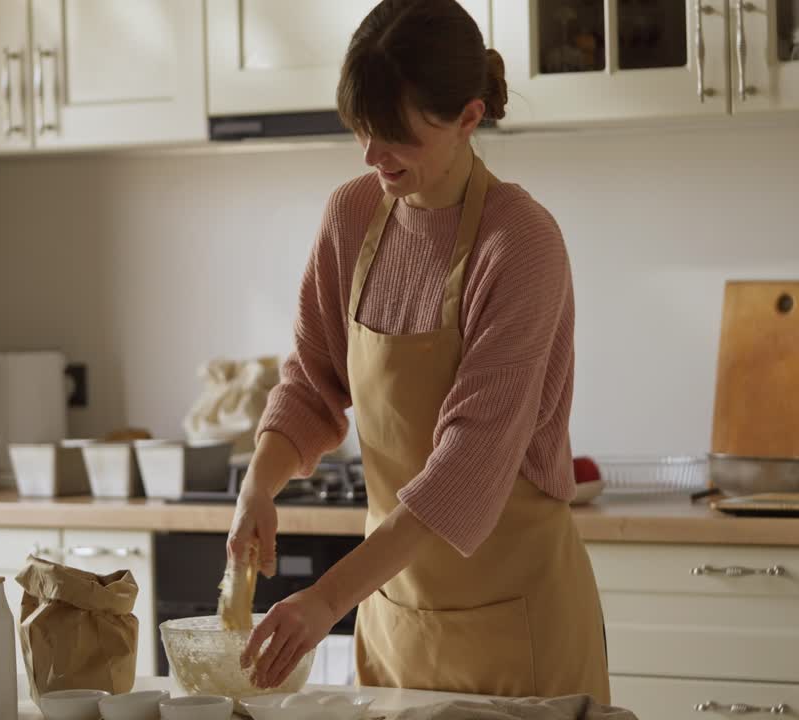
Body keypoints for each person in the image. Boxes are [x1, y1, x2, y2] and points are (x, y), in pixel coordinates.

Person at [226, 0, 610, 702]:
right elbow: (312, 386)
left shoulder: (520, 244)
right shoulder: (351, 215)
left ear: (468, 117)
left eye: (395, 136)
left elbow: (465, 471)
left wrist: (324, 600)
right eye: (362, 132)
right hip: (394, 620)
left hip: (517, 633)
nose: (372, 156)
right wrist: (260, 483)